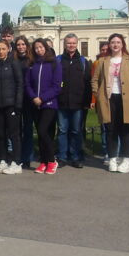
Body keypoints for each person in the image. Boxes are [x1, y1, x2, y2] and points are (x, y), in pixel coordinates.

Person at [92, 33, 129, 173]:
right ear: (109, 45)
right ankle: (112, 159)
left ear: (122, 45)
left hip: (126, 99)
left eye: (118, 42)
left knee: (126, 131)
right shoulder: (103, 61)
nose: (115, 45)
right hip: (108, 99)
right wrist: (98, 95)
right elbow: (95, 80)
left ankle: (127, 160)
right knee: (110, 130)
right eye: (112, 42)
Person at [0, 39, 24, 174]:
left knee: (13, 135)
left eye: (3, 49)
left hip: (12, 105)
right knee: (0, 134)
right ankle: (3, 160)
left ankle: (16, 163)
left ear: (8, 49)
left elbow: (20, 84)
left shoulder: (14, 64)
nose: (1, 52)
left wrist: (18, 104)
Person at [25, 38, 62, 175]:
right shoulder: (31, 64)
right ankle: (43, 161)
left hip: (49, 103)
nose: (39, 50)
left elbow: (57, 86)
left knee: (42, 131)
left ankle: (52, 160)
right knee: (41, 135)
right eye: (36, 48)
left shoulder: (54, 63)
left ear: (45, 48)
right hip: (35, 103)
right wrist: (34, 97)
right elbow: (27, 84)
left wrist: (42, 98)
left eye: (41, 47)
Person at [56, 33, 91, 168]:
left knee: (76, 130)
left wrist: (87, 102)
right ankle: (62, 156)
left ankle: (76, 156)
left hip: (78, 102)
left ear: (77, 44)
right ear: (65, 44)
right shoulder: (58, 60)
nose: (71, 45)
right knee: (62, 130)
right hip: (62, 102)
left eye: (73, 43)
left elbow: (87, 82)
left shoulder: (83, 62)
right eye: (69, 43)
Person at [13, 35, 35, 168]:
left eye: (23, 44)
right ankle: (17, 156)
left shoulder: (31, 60)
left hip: (28, 98)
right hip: (16, 97)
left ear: (27, 46)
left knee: (28, 128)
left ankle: (27, 157)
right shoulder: (13, 60)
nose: (21, 47)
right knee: (16, 130)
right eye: (18, 45)